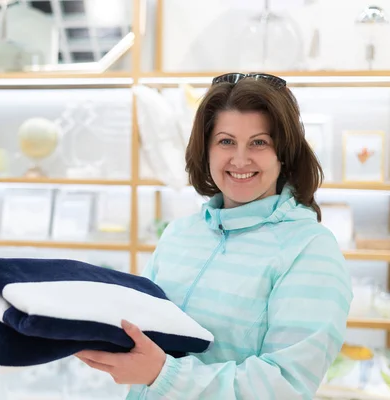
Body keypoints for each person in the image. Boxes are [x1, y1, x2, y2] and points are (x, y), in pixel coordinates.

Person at [76, 72, 353, 399]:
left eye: (259, 142)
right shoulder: (180, 233)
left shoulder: (310, 249)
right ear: (206, 150)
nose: (240, 159)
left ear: (284, 154)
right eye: (226, 141)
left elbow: (283, 386)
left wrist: (162, 373)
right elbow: (144, 332)